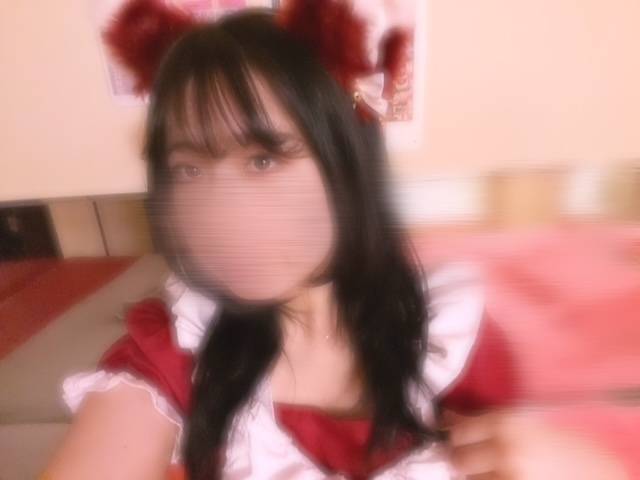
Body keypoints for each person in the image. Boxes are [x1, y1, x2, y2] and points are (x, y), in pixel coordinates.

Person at [42, 1, 628, 479]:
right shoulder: (177, 347)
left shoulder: (454, 336)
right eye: (189, 170)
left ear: (346, 164)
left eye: (264, 160)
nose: (217, 214)